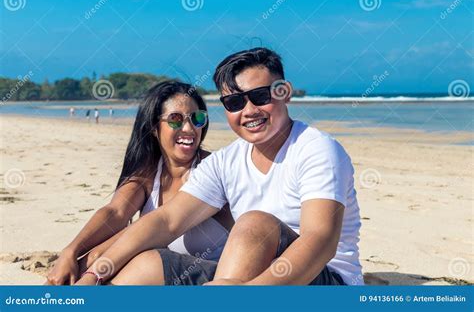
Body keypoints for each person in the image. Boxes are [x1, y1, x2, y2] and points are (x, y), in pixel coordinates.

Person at [76, 47, 362, 286]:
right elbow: (166, 221)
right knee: (148, 263)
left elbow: (321, 240)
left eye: (261, 96)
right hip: (239, 280)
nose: (249, 111)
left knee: (254, 224)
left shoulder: (317, 149)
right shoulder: (225, 161)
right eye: (235, 102)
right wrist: (94, 272)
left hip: (320, 281)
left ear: (284, 92)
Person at [47, 81, 233, 285]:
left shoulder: (213, 169)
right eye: (175, 120)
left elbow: (164, 224)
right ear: (154, 127)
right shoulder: (149, 172)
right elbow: (115, 213)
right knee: (91, 259)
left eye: (197, 119)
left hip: (210, 279)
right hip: (159, 277)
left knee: (143, 258)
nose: (188, 128)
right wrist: (71, 252)